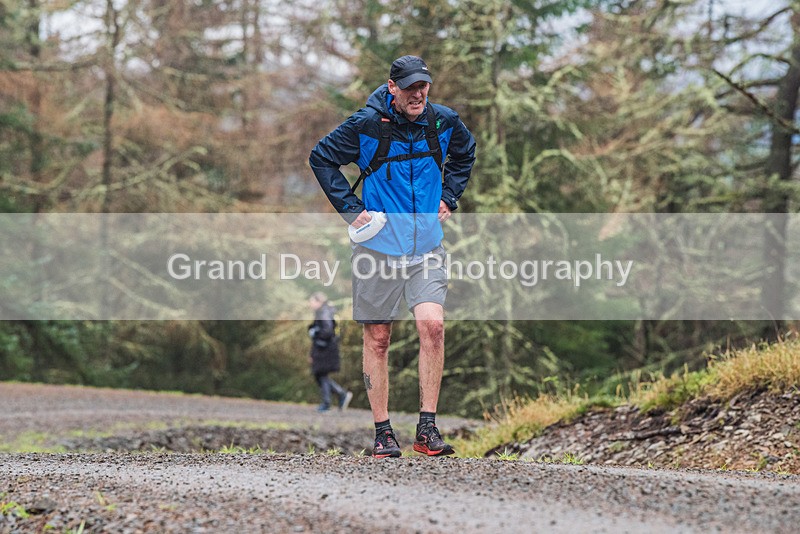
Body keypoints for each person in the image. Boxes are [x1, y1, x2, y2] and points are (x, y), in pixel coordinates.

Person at [309, 55, 476, 457]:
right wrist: (351, 209)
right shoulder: (366, 125)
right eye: (410, 87)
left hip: (426, 247)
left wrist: (450, 196)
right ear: (392, 88)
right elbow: (321, 158)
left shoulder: (443, 121)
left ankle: (427, 429)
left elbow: (465, 153)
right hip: (378, 248)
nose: (418, 94)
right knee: (379, 338)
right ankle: (383, 433)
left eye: (423, 86)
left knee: (433, 326)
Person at [308, 292, 353, 412]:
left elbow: (327, 331)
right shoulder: (324, 311)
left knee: (321, 374)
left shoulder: (324, 312)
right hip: (324, 349)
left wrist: (315, 332)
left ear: (318, 301)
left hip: (325, 349)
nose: (310, 304)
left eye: (312, 301)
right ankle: (341, 395)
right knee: (320, 375)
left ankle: (328, 402)